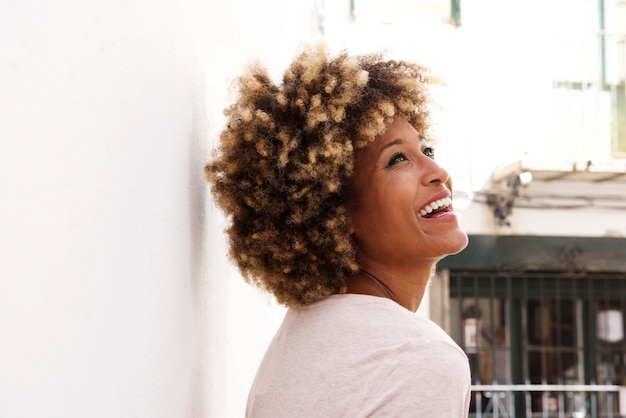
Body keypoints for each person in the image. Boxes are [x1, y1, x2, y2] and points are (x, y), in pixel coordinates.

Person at [206, 43, 471, 417]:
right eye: (398, 159)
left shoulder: (300, 336)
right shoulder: (419, 356)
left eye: (427, 150)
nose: (438, 172)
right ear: (337, 211)